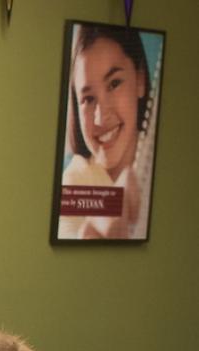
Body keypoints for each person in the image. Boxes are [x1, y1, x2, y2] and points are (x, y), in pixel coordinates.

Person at [58, 24, 153, 240]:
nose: (101, 118)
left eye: (114, 84)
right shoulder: (72, 183)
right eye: (88, 99)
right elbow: (67, 232)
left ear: (140, 79)